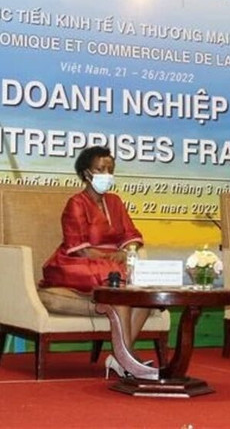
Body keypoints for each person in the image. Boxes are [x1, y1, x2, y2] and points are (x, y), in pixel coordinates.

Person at [41, 145, 150, 378]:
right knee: (117, 279)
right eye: (100, 169)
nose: (106, 174)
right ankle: (126, 359)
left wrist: (127, 251)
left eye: (110, 169)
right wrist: (114, 257)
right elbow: (79, 249)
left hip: (114, 262)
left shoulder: (116, 201)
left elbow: (131, 235)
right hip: (78, 262)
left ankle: (123, 357)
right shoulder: (76, 203)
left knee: (145, 292)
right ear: (86, 173)